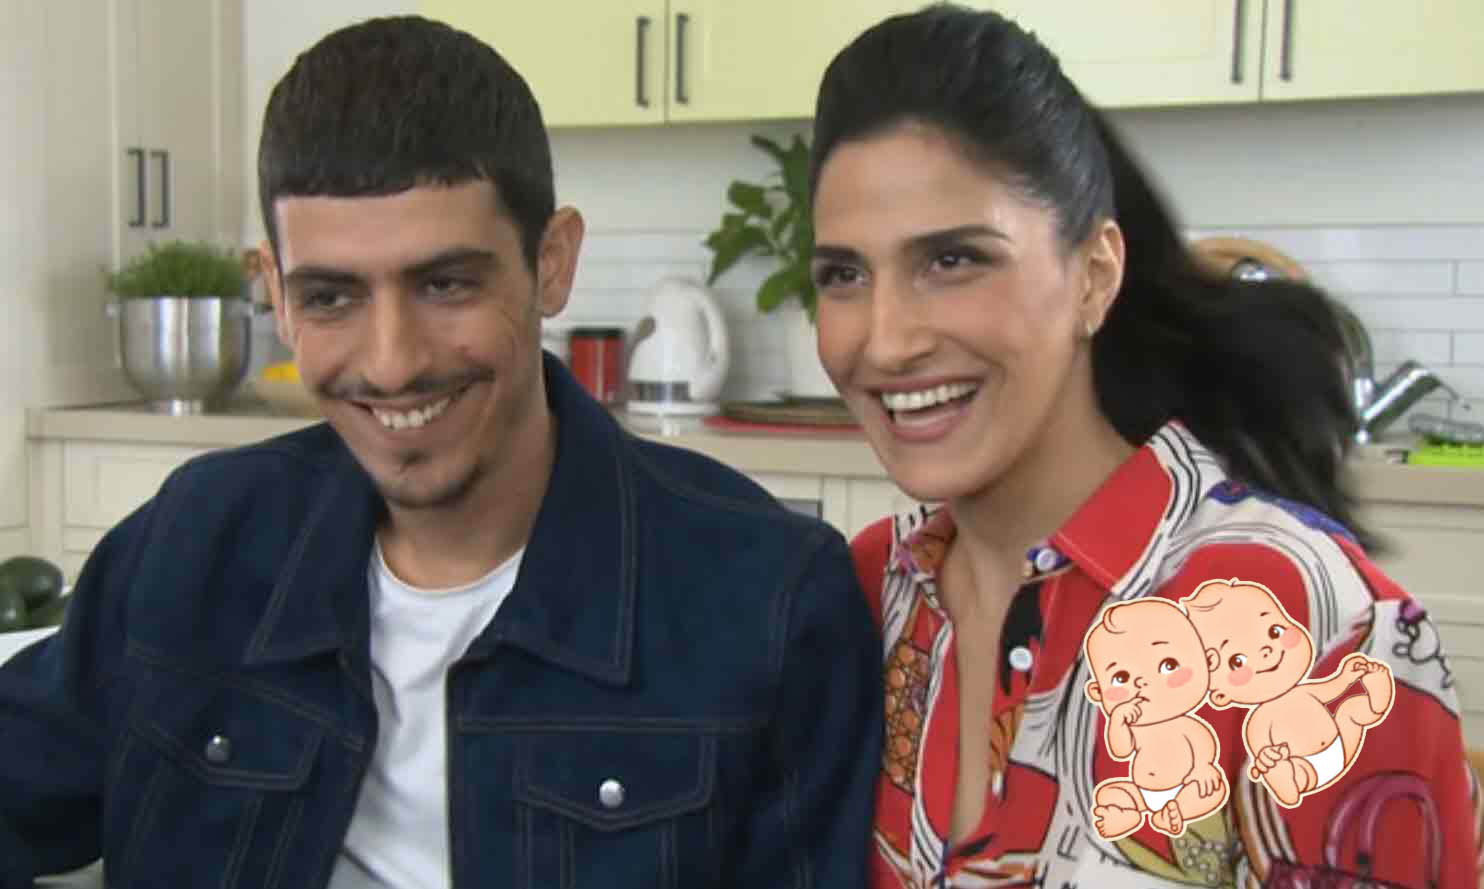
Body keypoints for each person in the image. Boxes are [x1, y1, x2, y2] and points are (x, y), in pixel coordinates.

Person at [0, 16, 881, 888]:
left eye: (446, 283)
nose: (392, 364)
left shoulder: (769, 601)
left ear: (552, 263)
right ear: (277, 292)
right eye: (330, 296)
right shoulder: (193, 542)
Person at [807, 5, 1482, 887]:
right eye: (844, 274)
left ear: (1095, 275)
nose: (887, 340)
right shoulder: (865, 595)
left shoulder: (1314, 627)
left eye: (954, 260)